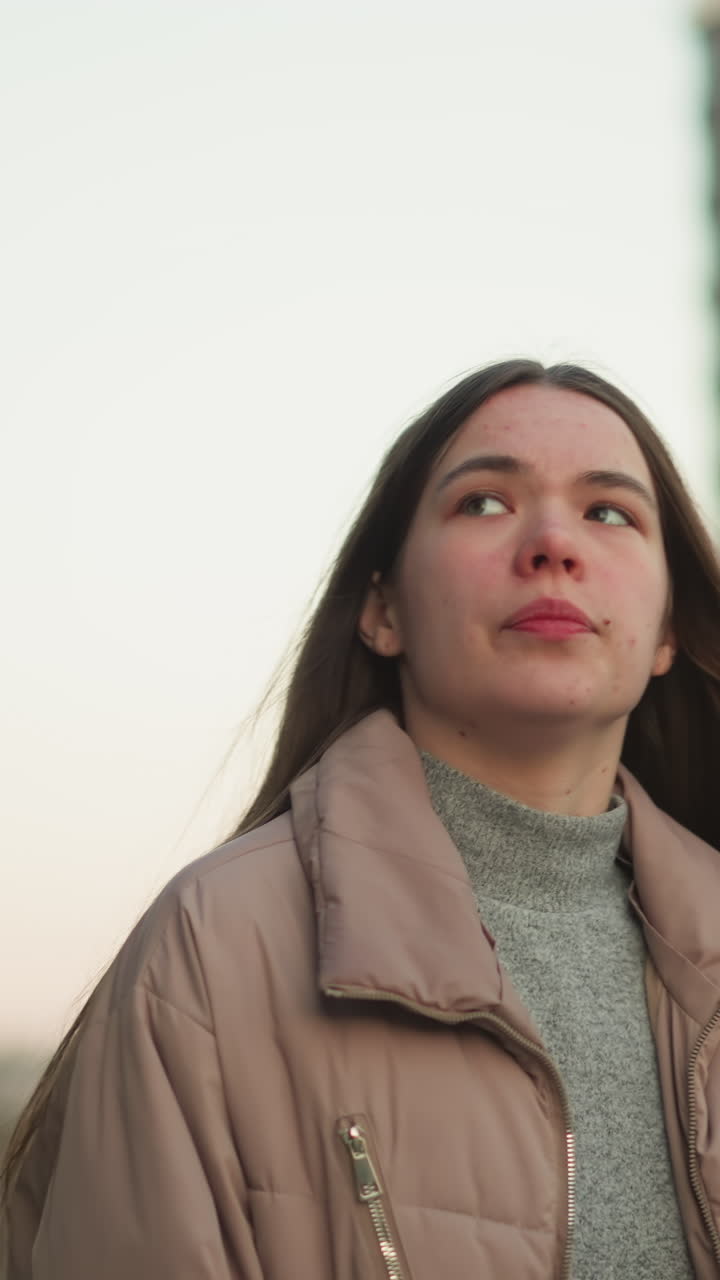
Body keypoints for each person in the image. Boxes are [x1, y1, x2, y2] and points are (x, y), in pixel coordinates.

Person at [2, 358, 720, 1280]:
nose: (553, 543)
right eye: (485, 503)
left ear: (666, 629)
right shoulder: (212, 953)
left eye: (609, 511)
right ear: (383, 609)